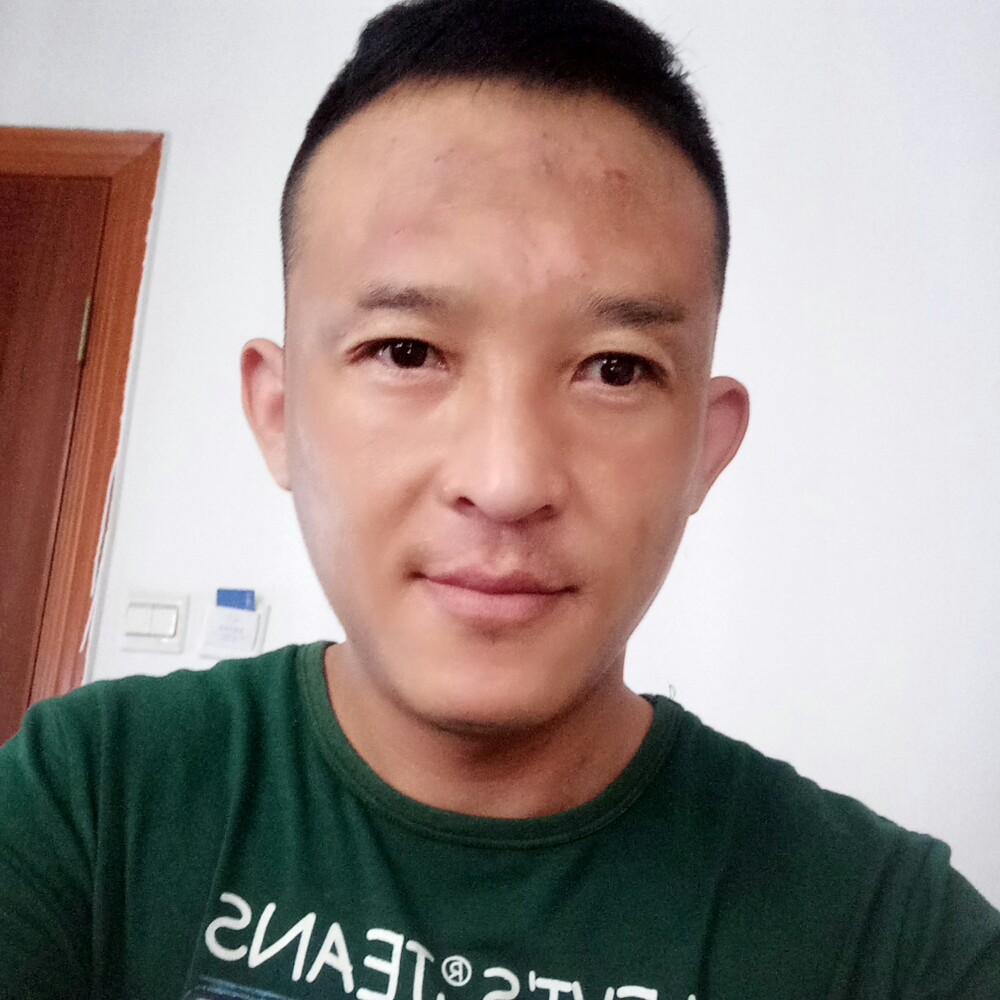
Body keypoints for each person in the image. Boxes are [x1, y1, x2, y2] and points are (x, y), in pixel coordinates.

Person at [1, 0, 998, 997]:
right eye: (406, 351)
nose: (507, 480)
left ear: (706, 445)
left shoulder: (886, 936)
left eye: (615, 368)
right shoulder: (91, 799)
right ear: (279, 413)